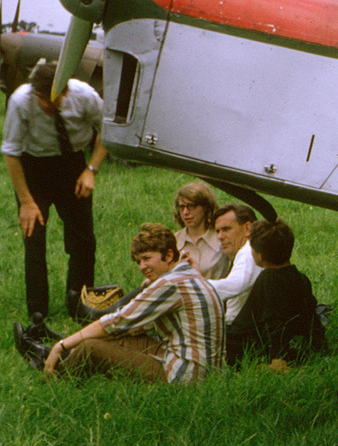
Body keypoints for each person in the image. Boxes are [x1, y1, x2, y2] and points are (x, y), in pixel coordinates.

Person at [18, 223, 223, 383]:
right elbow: (131, 326)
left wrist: (62, 345)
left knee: (92, 348)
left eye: (147, 258)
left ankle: (51, 367)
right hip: (203, 368)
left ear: (169, 255)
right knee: (122, 339)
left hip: (184, 377)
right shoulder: (187, 274)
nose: (142, 266)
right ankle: (55, 354)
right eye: (138, 261)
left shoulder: (170, 284)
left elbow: (117, 321)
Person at [5, 61, 105, 349]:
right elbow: (11, 153)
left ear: (64, 91)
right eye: (42, 99)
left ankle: (80, 302)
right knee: (33, 238)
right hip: (34, 167)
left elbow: (108, 130)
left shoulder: (84, 96)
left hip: (72, 164)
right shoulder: (20, 101)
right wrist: (26, 201)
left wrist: (91, 170)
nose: (48, 105)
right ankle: (38, 312)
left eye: (54, 99)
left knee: (83, 239)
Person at [226, 219, 325, 365]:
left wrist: (277, 357)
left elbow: (272, 321)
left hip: (243, 350)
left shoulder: (268, 278)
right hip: (291, 344)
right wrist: (319, 348)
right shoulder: (301, 278)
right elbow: (311, 319)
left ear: (260, 256)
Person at [207, 203, 261, 324]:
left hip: (241, 334)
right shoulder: (249, 250)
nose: (220, 236)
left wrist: (193, 284)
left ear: (248, 228)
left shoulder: (248, 251)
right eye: (218, 231)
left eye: (226, 229)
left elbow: (236, 284)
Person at [172, 181, 221, 277]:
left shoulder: (221, 238)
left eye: (191, 206)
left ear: (205, 207)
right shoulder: (173, 241)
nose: (185, 212)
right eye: (182, 207)